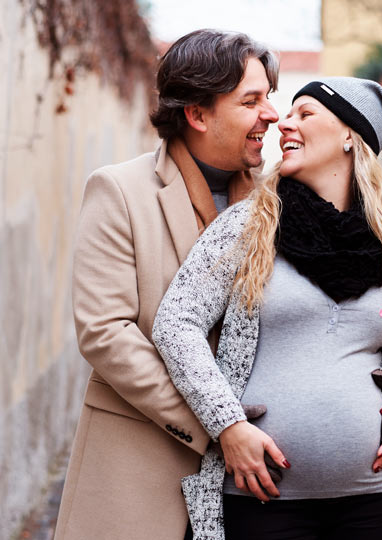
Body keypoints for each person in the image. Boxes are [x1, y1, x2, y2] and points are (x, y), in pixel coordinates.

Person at [153, 77, 382, 540]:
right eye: (288, 113)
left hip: (377, 498)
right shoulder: (248, 227)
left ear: (350, 135)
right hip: (265, 500)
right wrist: (226, 425)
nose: (282, 122)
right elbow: (176, 324)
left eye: (304, 113)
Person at [53, 29, 279, 540]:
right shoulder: (118, 191)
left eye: (269, 97)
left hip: (258, 490)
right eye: (251, 101)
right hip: (140, 472)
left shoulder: (278, 204)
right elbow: (105, 333)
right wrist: (220, 426)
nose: (271, 114)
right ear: (197, 114)